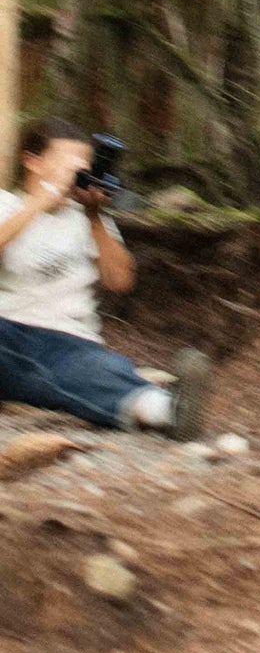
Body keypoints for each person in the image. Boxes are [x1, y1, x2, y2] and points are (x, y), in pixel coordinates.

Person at [0, 118, 210, 438]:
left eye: (85, 163)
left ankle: (166, 410)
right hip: (12, 332)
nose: (79, 170)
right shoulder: (6, 204)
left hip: (72, 341)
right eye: (68, 162)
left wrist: (95, 216)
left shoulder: (86, 217)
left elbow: (120, 281)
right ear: (32, 161)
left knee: (92, 369)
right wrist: (39, 203)